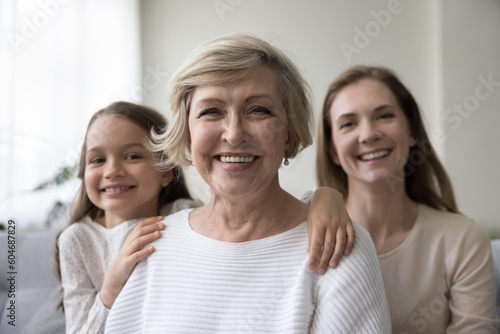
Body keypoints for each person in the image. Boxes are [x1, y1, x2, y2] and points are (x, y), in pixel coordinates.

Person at [105, 34, 390, 333]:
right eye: (211, 111)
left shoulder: (338, 245)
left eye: (259, 110)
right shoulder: (150, 245)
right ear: (187, 134)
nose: (234, 133)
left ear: (289, 133)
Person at [56, 101, 355, 333]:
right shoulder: (77, 240)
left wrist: (324, 197)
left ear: (166, 172)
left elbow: (254, 212)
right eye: (97, 160)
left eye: (133, 156)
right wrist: (111, 288)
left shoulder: (184, 216)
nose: (112, 170)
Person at [316, 65, 499, 333]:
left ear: (411, 131)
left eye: (384, 116)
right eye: (348, 124)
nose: (368, 134)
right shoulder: (311, 238)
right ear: (332, 149)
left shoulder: (463, 240)